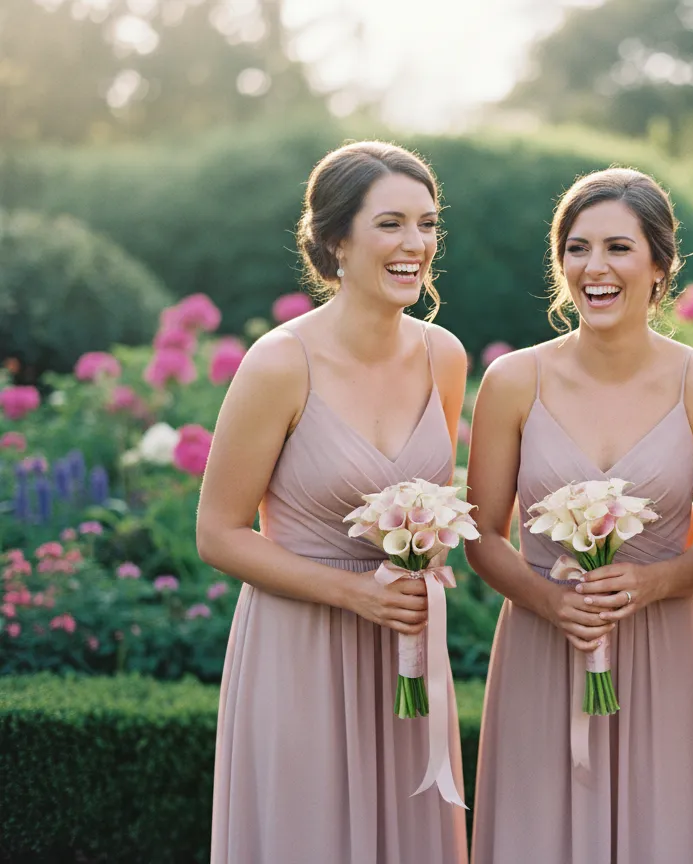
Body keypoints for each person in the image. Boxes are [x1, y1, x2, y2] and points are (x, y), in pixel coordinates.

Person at [196, 141, 469, 864]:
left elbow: (435, 500)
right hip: (301, 650)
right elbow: (219, 532)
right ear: (335, 241)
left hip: (406, 651)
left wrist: (427, 557)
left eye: (427, 223)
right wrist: (354, 595)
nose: (415, 243)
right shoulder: (281, 364)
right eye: (391, 224)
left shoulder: (445, 356)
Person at [465, 168, 693, 864]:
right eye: (577, 248)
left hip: (661, 648)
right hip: (540, 643)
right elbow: (482, 536)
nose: (595, 267)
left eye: (619, 248)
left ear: (660, 266)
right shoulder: (513, 382)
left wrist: (651, 584)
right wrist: (548, 600)